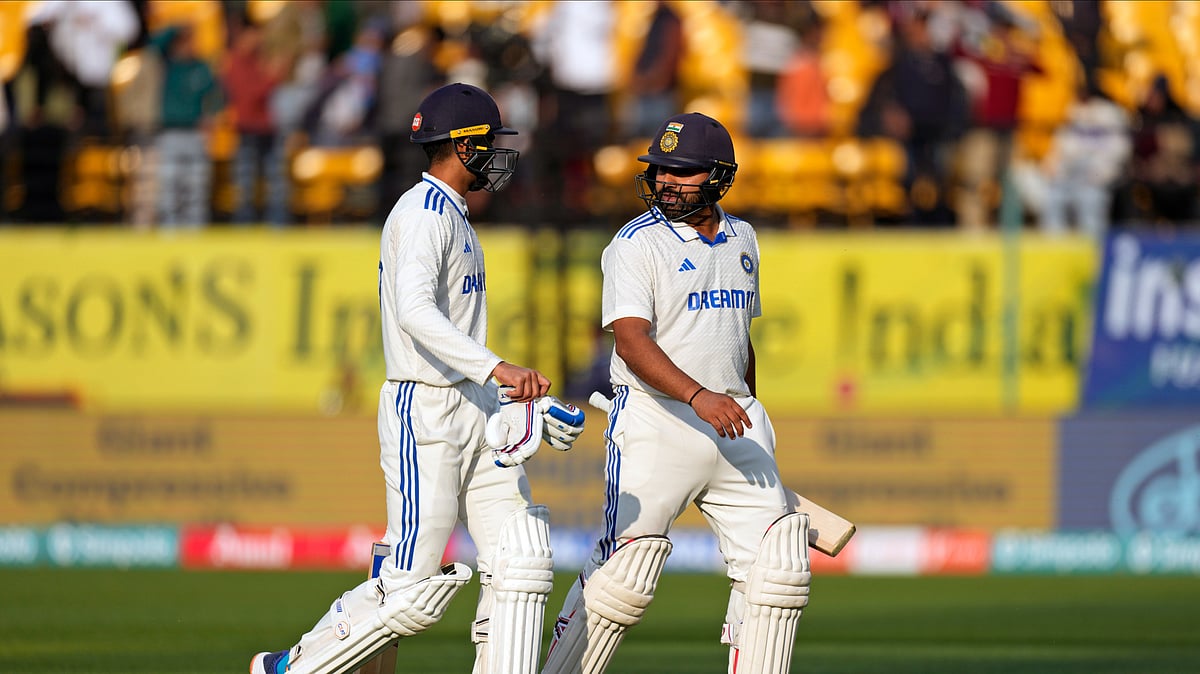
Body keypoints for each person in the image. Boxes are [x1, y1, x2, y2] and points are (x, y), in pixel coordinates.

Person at [249, 83, 585, 674]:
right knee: (412, 590)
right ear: (464, 145)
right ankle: (290, 668)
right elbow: (416, 314)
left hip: (473, 407)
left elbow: (452, 330)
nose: (498, 153)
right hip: (425, 410)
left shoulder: (453, 213)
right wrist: (497, 367)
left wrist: (506, 401)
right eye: (490, 141)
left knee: (521, 558)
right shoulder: (425, 213)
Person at [541, 113, 811, 674]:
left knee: (778, 571)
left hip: (733, 421)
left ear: (719, 176)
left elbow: (738, 338)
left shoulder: (743, 238)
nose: (665, 181)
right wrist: (698, 397)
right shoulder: (636, 243)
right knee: (624, 576)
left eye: (682, 172)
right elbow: (631, 341)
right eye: (660, 169)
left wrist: (748, 410)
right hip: (657, 419)